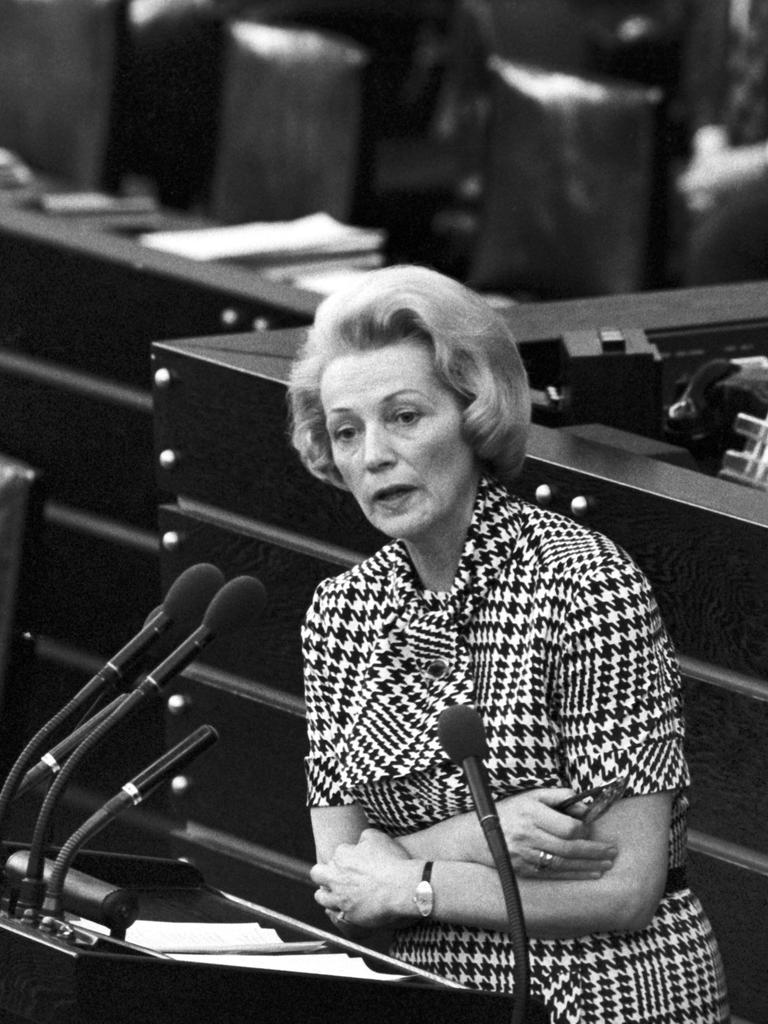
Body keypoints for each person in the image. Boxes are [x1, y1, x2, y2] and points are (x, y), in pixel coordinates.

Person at [286, 264, 729, 1023]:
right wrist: (477, 835)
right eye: (347, 431)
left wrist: (414, 880)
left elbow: (623, 888)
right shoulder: (340, 612)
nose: (373, 456)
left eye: (404, 417)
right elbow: (343, 881)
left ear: (475, 413)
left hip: (604, 996)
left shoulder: (583, 584)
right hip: (425, 994)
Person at [677, 0, 768, 284]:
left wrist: (738, 170)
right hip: (724, 157)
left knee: (719, 244)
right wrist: (709, 142)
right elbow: (702, 72)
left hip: (758, 166)